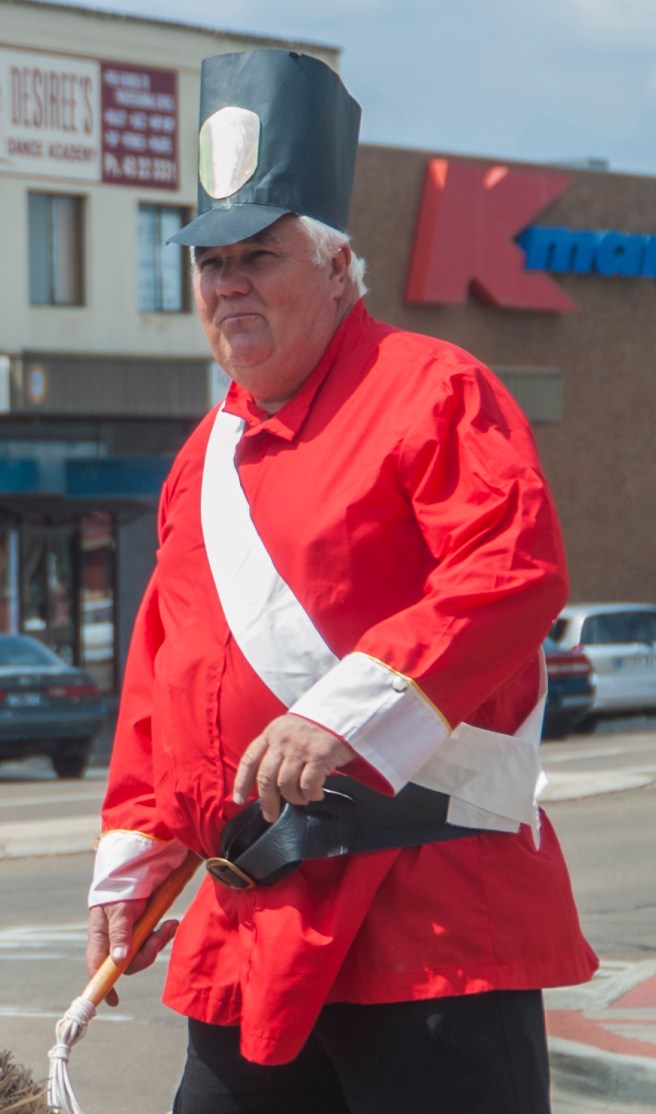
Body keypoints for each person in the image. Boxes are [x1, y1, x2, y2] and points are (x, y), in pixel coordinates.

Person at [86, 49, 598, 1114]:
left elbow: (511, 571)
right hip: (248, 930)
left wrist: (343, 715)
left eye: (257, 255)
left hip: (428, 923)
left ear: (335, 266)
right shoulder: (201, 458)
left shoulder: (433, 389)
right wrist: (133, 857)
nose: (227, 282)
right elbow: (162, 678)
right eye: (209, 261)